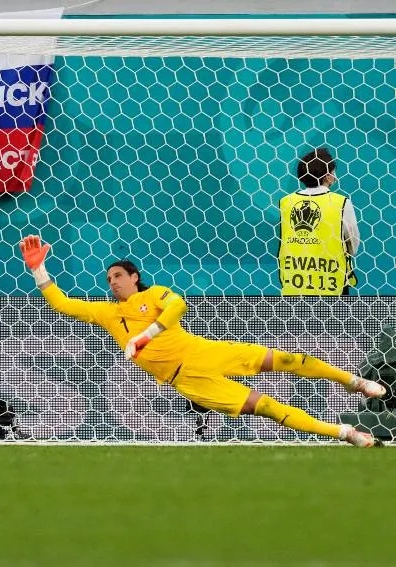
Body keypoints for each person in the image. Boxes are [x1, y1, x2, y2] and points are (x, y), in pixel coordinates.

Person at [19, 235, 385, 447]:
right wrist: (38, 268)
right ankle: (346, 433)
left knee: (290, 360)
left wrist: (146, 335)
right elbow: (63, 304)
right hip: (189, 380)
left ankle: (355, 382)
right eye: (109, 278)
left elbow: (179, 304)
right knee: (271, 409)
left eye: (118, 275)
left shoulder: (156, 294)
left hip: (203, 350)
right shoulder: (107, 313)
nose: (112, 282)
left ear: (134, 277)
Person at [278, 147, 360, 295]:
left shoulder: (286, 202)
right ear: (328, 175)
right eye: (333, 171)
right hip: (332, 284)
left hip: (294, 285)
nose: (335, 176)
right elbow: (353, 245)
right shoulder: (341, 203)